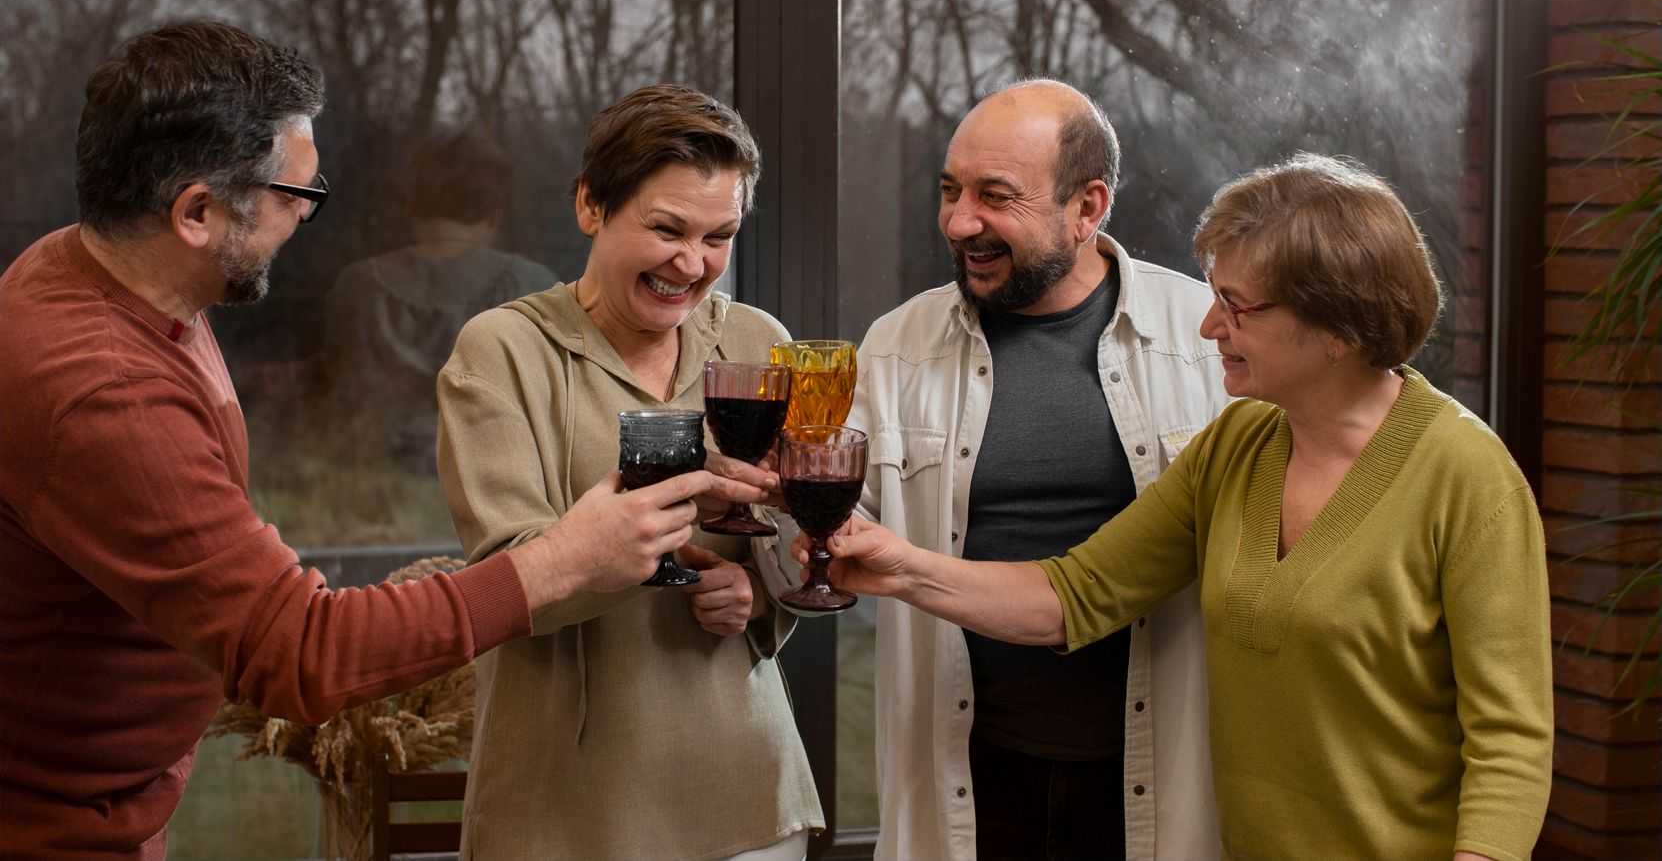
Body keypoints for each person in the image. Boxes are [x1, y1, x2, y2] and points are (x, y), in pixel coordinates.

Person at [0, 23, 767, 859]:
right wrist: (565, 560)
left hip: (114, 805)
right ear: (195, 212)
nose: (304, 219)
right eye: (296, 197)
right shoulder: (103, 386)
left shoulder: (96, 273)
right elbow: (300, 651)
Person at [811, 153, 1553, 861]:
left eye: (1236, 306)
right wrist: (901, 569)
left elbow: (1510, 743)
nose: (1208, 326)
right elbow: (1076, 594)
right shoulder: (1238, 447)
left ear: (1337, 326)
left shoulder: (1466, 476)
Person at [835, 78, 1231, 861]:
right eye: (950, 191)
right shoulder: (894, 345)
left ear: (1088, 209)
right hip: (969, 782)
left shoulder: (1208, 338)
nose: (959, 221)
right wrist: (775, 527)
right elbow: (819, 556)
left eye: (995, 195)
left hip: (1160, 784)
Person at [436, 84, 824, 860]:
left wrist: (759, 593)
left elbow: (806, 538)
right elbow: (507, 582)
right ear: (591, 206)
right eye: (666, 228)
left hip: (748, 790)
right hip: (564, 805)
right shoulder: (503, 351)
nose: (694, 263)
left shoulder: (757, 340)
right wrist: (634, 538)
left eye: (720, 236)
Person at [321, 129, 554, 476]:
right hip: (495, 493)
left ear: (411, 204)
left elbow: (335, 399)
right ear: (495, 212)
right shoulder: (534, 286)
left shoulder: (357, 287)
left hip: (369, 494)